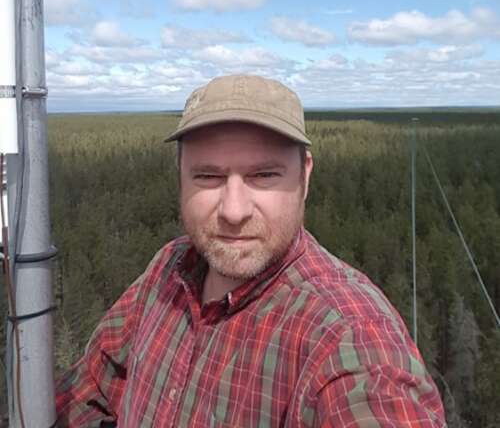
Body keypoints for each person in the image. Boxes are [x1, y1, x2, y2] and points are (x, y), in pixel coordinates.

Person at [56, 75, 445, 427]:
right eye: (208, 176)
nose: (233, 210)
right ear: (179, 176)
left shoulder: (346, 335)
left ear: (304, 175)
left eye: (263, 175)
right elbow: (89, 389)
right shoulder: (169, 269)